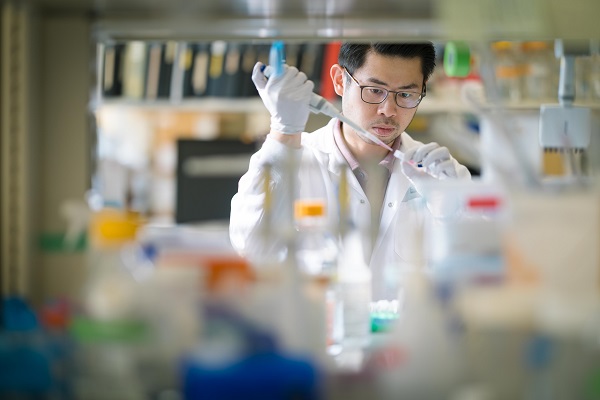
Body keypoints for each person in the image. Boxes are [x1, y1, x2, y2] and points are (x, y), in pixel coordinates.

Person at [229, 42, 471, 300]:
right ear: (339, 81)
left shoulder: (442, 175)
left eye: (406, 95)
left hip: (407, 338)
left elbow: (476, 272)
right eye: (375, 90)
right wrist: (283, 133)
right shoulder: (294, 159)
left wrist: (449, 213)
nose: (388, 110)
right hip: (317, 334)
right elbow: (251, 248)